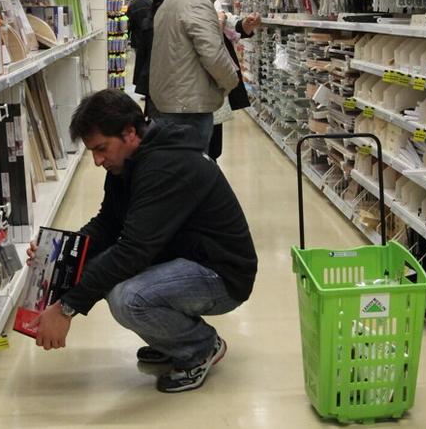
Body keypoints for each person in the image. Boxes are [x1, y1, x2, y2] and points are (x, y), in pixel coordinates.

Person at [27, 90, 258, 394]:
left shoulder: (165, 165)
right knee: (113, 281)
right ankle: (173, 338)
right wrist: (59, 253)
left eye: (101, 149)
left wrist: (66, 308)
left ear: (130, 133)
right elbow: (107, 224)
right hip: (185, 259)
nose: (97, 161)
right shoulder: (127, 163)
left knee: (129, 298)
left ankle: (200, 347)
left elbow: (132, 252)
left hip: (221, 275)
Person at [149, 0, 239, 151]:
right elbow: (213, 54)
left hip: (174, 100)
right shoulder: (196, 2)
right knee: (193, 172)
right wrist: (231, 81)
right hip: (189, 108)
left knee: (179, 169)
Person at [207, 11, 262, 161]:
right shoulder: (179, 7)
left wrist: (246, 24)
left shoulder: (206, 3)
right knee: (201, 146)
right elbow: (209, 44)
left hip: (214, 88)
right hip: (197, 89)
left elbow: (234, 30)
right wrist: (219, 21)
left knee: (213, 146)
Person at [126, 0, 153, 89]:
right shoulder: (151, 2)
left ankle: (143, 86)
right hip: (151, 37)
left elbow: (129, 23)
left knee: (140, 63)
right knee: (150, 62)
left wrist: (127, 37)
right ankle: (149, 87)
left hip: (138, 38)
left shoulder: (132, 5)